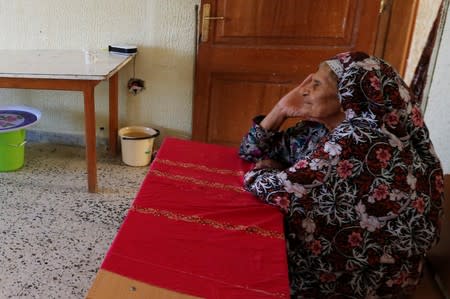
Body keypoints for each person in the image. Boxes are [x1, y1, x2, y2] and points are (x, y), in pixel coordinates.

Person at [239, 51, 445, 298]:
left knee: (247, 263)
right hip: (344, 264)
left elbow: (272, 189)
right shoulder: (319, 130)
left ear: (349, 95)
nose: (304, 90)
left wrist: (273, 170)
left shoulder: (362, 142)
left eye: (316, 84)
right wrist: (280, 110)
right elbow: (250, 152)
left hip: (364, 281)